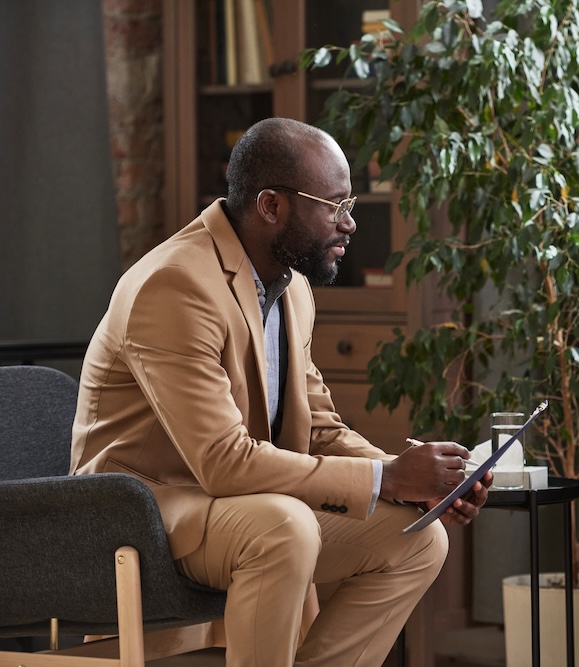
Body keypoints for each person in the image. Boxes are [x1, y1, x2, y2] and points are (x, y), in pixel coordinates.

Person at [71, 117, 491, 667]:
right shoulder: (173, 286)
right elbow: (222, 462)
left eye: (352, 205)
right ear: (271, 206)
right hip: (140, 511)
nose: (350, 225)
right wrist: (387, 477)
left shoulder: (290, 290)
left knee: (417, 539)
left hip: (235, 507)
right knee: (283, 526)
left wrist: (415, 480)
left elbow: (317, 428)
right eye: (334, 206)